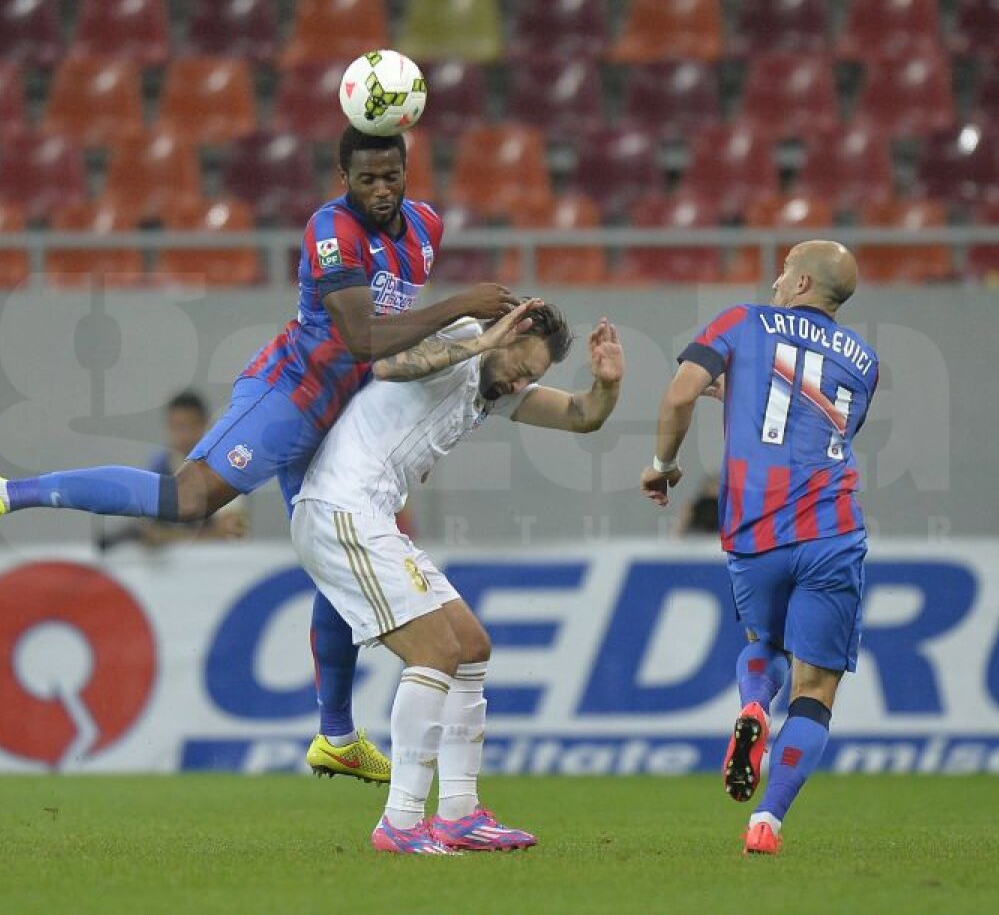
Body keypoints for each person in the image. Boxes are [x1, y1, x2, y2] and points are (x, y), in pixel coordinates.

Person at [0, 126, 520, 784]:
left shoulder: (426, 227)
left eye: (391, 176)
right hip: (290, 394)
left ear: (407, 170)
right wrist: (459, 308)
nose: (380, 190)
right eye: (366, 179)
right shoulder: (330, 230)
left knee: (342, 542)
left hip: (342, 417)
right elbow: (360, 336)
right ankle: (4, 492)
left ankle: (336, 734)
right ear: (342, 177)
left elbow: (391, 342)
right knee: (189, 498)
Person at [292, 302, 624, 853]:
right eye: (523, 365)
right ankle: (399, 823)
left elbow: (581, 415)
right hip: (341, 510)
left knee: (470, 647)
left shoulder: (491, 387)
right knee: (434, 652)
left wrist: (606, 385)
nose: (523, 380)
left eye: (535, 377)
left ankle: (459, 815)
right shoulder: (465, 342)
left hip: (372, 517)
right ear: (506, 335)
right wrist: (481, 340)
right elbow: (386, 367)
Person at [638, 241, 877, 856]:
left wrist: (663, 465)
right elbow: (819, 423)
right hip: (831, 528)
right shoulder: (865, 360)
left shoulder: (739, 321)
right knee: (816, 686)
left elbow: (680, 393)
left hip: (754, 527)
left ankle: (751, 706)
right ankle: (768, 820)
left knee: (762, 644)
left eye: (783, 273)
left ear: (800, 283)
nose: (774, 282)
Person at [97, 390, 250, 551]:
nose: (184, 436)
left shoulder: (224, 468)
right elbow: (148, 530)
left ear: (206, 425)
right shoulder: (159, 467)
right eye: (177, 428)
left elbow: (231, 533)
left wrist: (169, 537)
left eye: (191, 426)